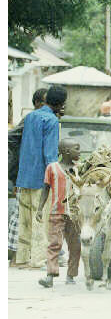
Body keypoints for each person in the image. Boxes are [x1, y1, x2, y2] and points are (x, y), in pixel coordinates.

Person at [14, 85, 66, 269]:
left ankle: (22, 257)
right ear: (60, 104)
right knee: (40, 220)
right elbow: (50, 155)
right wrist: (54, 179)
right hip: (40, 178)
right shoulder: (51, 120)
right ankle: (38, 259)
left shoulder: (30, 116)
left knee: (25, 220)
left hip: (24, 175)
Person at [8, 88, 48, 264]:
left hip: (29, 174)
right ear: (38, 103)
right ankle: (18, 255)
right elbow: (11, 139)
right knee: (22, 216)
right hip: (25, 175)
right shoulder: (31, 120)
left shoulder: (40, 119)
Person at [36, 138, 82, 288]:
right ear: (67, 151)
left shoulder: (79, 168)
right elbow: (45, 189)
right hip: (57, 212)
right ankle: (50, 275)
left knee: (75, 245)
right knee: (55, 243)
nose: (80, 152)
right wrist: (39, 208)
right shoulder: (52, 168)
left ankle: (71, 275)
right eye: (77, 148)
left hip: (74, 214)